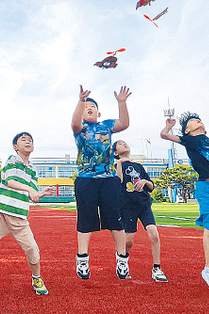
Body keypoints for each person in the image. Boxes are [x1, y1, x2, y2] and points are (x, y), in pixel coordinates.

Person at [160, 113, 209, 295]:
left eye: (199, 119)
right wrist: (169, 126)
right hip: (205, 187)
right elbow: (164, 136)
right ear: (187, 130)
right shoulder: (189, 141)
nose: (198, 121)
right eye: (192, 121)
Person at [71, 85, 132, 281]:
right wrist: (81, 101)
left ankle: (122, 259)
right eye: (86, 106)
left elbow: (123, 123)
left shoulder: (106, 125)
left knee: (116, 220)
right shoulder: (80, 129)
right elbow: (74, 124)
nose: (89, 107)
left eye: (92, 106)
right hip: (85, 180)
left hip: (108, 180)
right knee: (86, 220)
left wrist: (122, 103)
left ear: (99, 112)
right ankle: (82, 258)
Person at [0, 132, 54, 296]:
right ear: (15, 147)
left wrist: (41, 193)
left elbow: (32, 194)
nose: (28, 141)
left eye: (30, 140)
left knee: (33, 250)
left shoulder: (33, 170)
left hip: (19, 218)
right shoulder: (12, 160)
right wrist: (30, 189)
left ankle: (36, 278)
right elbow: (10, 181)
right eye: (23, 139)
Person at [112, 140, 168, 283]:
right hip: (127, 206)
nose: (124, 144)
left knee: (154, 234)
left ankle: (157, 268)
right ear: (115, 152)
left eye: (125, 142)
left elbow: (151, 185)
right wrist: (118, 162)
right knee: (128, 242)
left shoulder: (138, 166)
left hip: (143, 204)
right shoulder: (115, 166)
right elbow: (118, 181)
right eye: (120, 143)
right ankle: (122, 260)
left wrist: (144, 182)